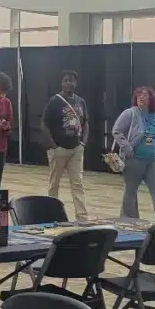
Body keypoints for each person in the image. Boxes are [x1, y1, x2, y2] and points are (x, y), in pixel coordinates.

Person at [112, 86, 155, 223]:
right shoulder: (130, 113)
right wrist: (127, 148)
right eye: (139, 95)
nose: (142, 97)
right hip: (134, 159)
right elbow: (116, 131)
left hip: (153, 160)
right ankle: (129, 221)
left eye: (145, 95)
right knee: (130, 192)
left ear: (151, 99)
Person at [42, 70, 89, 220]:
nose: (69, 83)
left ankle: (82, 217)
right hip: (59, 149)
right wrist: (53, 146)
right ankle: (51, 215)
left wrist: (83, 143)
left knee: (77, 183)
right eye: (66, 80)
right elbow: (44, 124)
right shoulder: (54, 101)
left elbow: (85, 123)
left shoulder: (81, 102)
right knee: (54, 184)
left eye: (71, 80)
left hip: (76, 149)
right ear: (62, 83)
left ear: (76, 83)